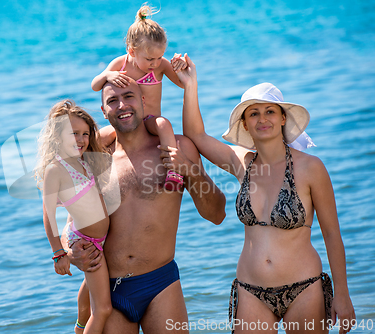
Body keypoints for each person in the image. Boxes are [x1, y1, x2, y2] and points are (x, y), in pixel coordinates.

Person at [178, 55, 356, 333]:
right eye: (253, 113)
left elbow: (332, 235)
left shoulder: (311, 168)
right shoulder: (242, 164)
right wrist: (190, 84)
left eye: (270, 111)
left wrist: (343, 296)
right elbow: (196, 136)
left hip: (304, 287)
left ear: (283, 117)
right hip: (251, 291)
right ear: (245, 124)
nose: (262, 119)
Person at [66, 79, 226, 333]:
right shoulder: (94, 160)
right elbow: (72, 223)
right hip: (109, 290)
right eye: (112, 101)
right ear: (103, 111)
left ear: (143, 101)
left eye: (129, 96)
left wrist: (191, 172)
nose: (122, 105)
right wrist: (70, 250)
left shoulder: (177, 148)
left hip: (161, 284)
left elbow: (216, 215)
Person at [35, 100, 112, 334]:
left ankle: (79, 328)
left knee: (87, 301)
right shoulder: (56, 170)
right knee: (103, 309)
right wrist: (58, 253)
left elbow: (110, 133)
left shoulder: (84, 161)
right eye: (73, 134)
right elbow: (48, 215)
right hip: (87, 244)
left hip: (99, 239)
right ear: (57, 136)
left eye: (85, 134)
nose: (80, 139)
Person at [91, 4, 187, 191]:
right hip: (126, 122)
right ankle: (79, 175)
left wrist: (180, 67)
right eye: (150, 59)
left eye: (160, 57)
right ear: (132, 51)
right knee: (97, 138)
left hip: (149, 122)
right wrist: (107, 76)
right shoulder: (121, 63)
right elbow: (95, 85)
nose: (155, 63)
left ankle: (173, 172)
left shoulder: (161, 66)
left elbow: (183, 83)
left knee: (164, 124)